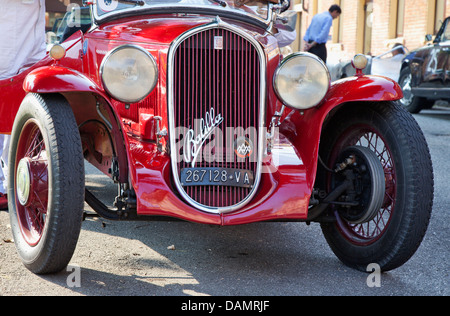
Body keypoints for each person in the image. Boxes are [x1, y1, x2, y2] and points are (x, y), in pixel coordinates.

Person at [0, 0, 46, 209]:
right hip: (10, 47)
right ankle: (7, 186)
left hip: (29, 49)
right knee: (9, 114)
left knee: (20, 112)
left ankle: (14, 183)